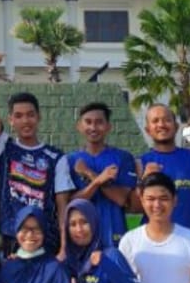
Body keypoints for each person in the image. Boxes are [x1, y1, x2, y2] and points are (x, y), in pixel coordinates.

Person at [0, 51, 63, 257]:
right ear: (10, 120)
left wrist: (63, 248)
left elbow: (63, 207)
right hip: (12, 237)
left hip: (46, 238)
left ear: (38, 117)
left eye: (30, 115)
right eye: (18, 116)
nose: (25, 121)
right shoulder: (5, 148)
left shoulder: (55, 157)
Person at [55, 102, 137, 251]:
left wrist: (89, 173)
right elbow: (71, 203)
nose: (93, 127)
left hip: (114, 238)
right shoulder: (69, 161)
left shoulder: (123, 157)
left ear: (108, 127)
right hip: (82, 240)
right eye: (88, 122)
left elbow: (121, 199)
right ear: (79, 126)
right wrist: (99, 180)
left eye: (99, 122)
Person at [135, 105, 190, 232]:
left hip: (189, 239)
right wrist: (144, 180)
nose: (161, 125)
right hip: (154, 241)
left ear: (176, 126)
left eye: (167, 120)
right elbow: (133, 207)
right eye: (155, 121)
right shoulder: (141, 163)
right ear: (148, 129)